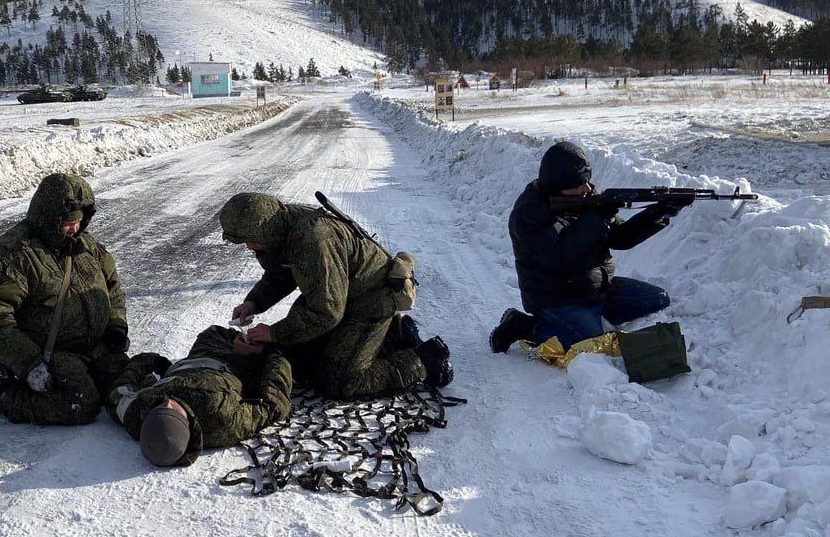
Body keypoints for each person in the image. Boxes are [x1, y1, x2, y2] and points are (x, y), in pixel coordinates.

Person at [218, 192, 452, 401]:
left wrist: (274, 332)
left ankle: (423, 359)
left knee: (340, 382)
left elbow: (327, 312)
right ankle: (394, 335)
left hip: (371, 300)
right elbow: (283, 273)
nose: (248, 246)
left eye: (248, 240)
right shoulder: (283, 226)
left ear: (263, 231)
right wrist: (253, 303)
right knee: (300, 357)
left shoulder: (313, 240)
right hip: (340, 293)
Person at [490, 141, 682, 353]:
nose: (588, 189)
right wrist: (598, 216)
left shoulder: (583, 199)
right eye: (578, 184)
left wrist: (658, 214)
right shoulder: (528, 213)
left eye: (587, 182)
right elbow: (558, 255)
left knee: (658, 299)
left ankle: (589, 319)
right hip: (558, 299)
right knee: (590, 343)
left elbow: (620, 238)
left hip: (597, 289)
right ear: (557, 185)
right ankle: (523, 326)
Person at [0, 173, 129, 425]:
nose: (75, 228)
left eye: (80, 220)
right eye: (68, 221)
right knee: (80, 403)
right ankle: (4, 394)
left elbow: (113, 287)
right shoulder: (16, 255)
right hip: (49, 353)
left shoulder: (86, 245)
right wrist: (29, 362)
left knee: (129, 384)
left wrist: (116, 325)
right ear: (48, 217)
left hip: (94, 346)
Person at [106, 325, 293, 467]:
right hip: (239, 364)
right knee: (286, 342)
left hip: (199, 353)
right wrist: (274, 355)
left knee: (212, 331)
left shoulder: (136, 412)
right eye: (171, 412)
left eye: (159, 408)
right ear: (184, 427)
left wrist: (154, 362)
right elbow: (274, 405)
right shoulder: (221, 417)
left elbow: (119, 389)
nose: (167, 402)